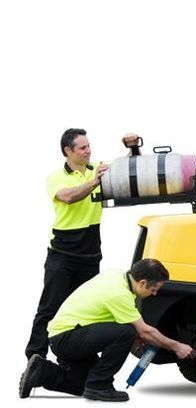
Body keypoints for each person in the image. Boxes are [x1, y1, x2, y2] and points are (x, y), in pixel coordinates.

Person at [25, 129, 139, 360]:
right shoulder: (56, 177)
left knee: (87, 309)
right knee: (50, 308)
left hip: (90, 253)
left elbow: (129, 170)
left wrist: (133, 148)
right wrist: (95, 181)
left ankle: (78, 362)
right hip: (63, 253)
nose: (88, 151)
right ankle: (35, 358)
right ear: (68, 151)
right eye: (82, 148)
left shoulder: (97, 168)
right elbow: (68, 196)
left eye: (89, 146)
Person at [19, 259, 196, 402]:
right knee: (127, 333)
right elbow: (145, 332)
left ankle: (41, 372)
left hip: (66, 336)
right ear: (142, 283)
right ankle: (100, 384)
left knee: (83, 386)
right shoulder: (119, 294)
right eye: (153, 289)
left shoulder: (116, 276)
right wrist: (177, 347)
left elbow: (112, 316)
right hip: (66, 338)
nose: (154, 294)